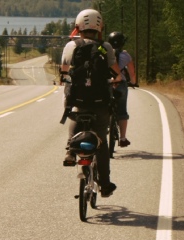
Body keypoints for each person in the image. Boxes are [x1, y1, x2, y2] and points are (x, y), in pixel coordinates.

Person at [60, 9, 122, 197]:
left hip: (77, 100)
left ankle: (70, 150)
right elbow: (116, 72)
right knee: (101, 142)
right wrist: (117, 79)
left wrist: (66, 79)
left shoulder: (71, 46)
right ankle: (104, 184)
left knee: (75, 114)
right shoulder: (106, 47)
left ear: (78, 26)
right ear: (99, 27)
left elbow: (63, 71)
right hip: (100, 101)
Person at [108, 31, 136, 147]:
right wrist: (133, 82)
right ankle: (123, 138)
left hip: (107, 84)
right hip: (121, 84)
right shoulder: (126, 55)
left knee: (102, 107)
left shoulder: (104, 52)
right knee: (122, 110)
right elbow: (132, 72)